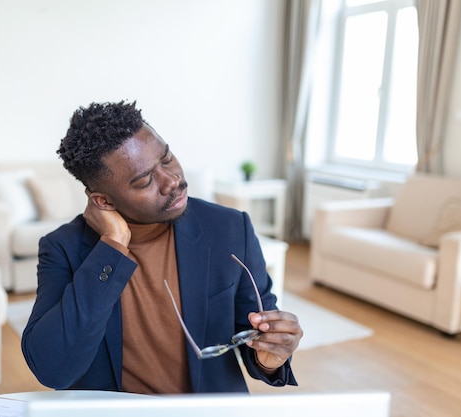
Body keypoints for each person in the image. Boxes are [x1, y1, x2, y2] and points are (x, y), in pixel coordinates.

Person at [21, 101, 303, 394]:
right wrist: (113, 245)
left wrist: (270, 357)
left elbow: (258, 333)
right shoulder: (62, 249)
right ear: (104, 201)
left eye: (167, 159)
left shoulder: (230, 228)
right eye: (145, 180)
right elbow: (52, 369)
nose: (172, 181)